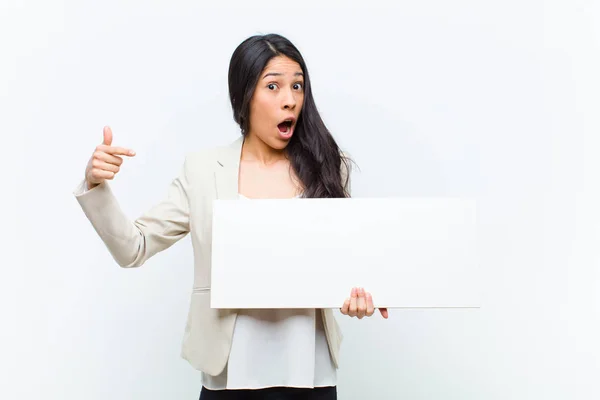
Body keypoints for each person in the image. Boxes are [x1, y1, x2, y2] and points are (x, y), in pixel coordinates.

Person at [74, 33, 388, 400]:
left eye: (297, 86)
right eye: (273, 86)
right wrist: (95, 184)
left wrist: (361, 293)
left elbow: (346, 265)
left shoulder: (326, 169)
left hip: (311, 374)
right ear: (243, 96)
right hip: (229, 376)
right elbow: (134, 247)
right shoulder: (203, 170)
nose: (290, 100)